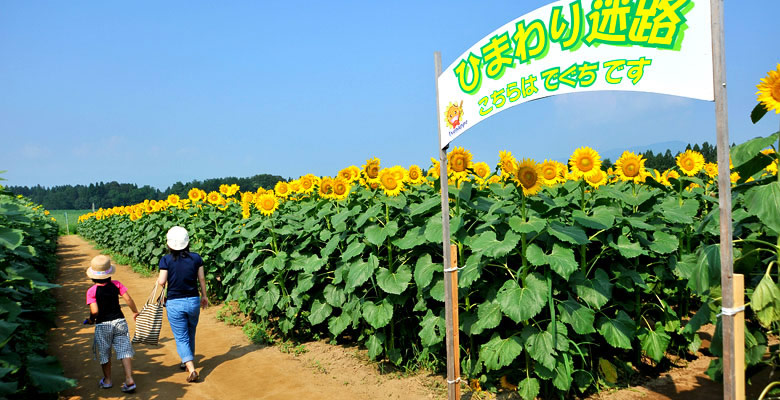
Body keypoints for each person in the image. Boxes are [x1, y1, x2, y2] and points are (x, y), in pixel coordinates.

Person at [157, 226, 209, 383]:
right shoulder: (196, 258)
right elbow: (201, 279)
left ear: (169, 244)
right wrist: (204, 296)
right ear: (187, 242)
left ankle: (191, 368)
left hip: (174, 302)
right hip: (193, 301)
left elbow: (161, 282)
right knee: (190, 332)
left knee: (180, 337)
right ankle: (185, 362)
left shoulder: (166, 260)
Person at [85, 255, 139, 393]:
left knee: (105, 353)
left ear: (93, 276)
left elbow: (95, 311)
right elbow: (128, 298)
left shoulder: (91, 291)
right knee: (124, 350)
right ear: (109, 273)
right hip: (119, 321)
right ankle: (129, 379)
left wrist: (91, 319)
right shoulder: (116, 284)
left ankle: (107, 380)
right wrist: (135, 311)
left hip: (103, 325)